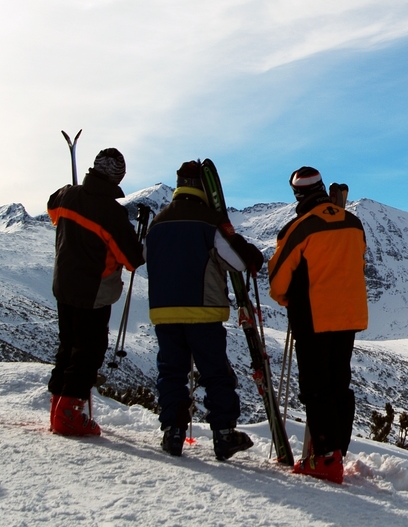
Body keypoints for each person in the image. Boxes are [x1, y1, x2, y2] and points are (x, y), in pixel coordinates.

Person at [145, 160, 265, 461]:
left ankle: (172, 433)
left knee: (171, 372)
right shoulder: (208, 222)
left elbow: (143, 258)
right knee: (215, 373)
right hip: (203, 312)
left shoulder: (157, 223)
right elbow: (237, 262)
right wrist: (243, 247)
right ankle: (224, 435)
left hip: (164, 312)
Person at [267, 166, 368, 484]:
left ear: (297, 194)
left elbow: (278, 280)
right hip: (349, 316)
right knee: (339, 384)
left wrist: (288, 301)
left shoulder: (300, 228)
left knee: (316, 388)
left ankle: (324, 458)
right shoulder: (354, 223)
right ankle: (337, 452)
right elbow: (359, 260)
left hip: (313, 316)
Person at [47, 148, 145, 436]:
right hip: (93, 291)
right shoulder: (111, 213)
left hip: (63, 285)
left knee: (67, 347)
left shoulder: (66, 194)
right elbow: (132, 260)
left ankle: (58, 408)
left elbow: (52, 210)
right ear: (118, 176)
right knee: (88, 352)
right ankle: (68, 415)